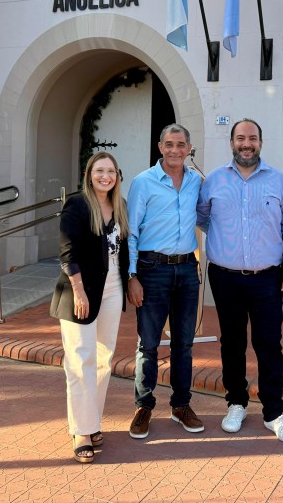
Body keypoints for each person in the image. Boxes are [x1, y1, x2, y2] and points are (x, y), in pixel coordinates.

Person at [196, 118, 283, 443]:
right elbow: (202, 219)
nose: (247, 143)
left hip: (267, 278)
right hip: (225, 278)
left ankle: (274, 412)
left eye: (252, 138)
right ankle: (236, 402)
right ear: (232, 143)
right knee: (232, 342)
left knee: (269, 344)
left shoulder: (279, 181)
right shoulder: (213, 180)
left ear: (260, 142)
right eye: (240, 138)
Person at [49, 151, 130, 463]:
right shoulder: (77, 204)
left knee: (103, 359)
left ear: (117, 175)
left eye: (110, 171)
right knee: (80, 359)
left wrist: (130, 281)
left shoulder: (119, 206)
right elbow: (67, 251)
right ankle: (81, 431)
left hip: (113, 289)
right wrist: (80, 292)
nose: (105, 176)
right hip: (78, 290)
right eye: (100, 170)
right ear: (89, 174)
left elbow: (123, 251)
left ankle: (92, 420)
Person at [126, 123, 204, 439]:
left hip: (187, 270)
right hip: (151, 269)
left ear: (188, 149)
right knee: (148, 344)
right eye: (169, 144)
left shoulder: (197, 182)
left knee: (184, 343)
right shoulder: (142, 183)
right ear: (160, 147)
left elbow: (210, 217)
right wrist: (132, 275)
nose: (175, 150)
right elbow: (131, 231)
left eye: (181, 144)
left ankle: (181, 405)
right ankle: (143, 406)